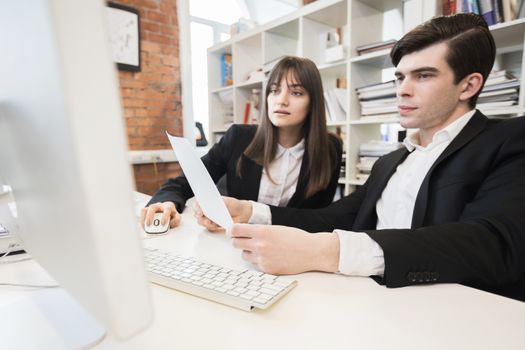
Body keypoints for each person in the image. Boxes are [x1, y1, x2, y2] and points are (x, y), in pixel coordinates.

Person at [197, 13, 525, 301]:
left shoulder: (508, 141)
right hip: (367, 302)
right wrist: (250, 210)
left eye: (423, 76)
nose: (402, 90)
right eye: (400, 77)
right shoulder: (390, 162)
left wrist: (325, 251)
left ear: (468, 86)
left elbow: (492, 243)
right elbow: (331, 218)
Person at [142, 56, 342, 229]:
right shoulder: (239, 137)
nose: (281, 100)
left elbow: (319, 219)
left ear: (313, 102)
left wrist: (253, 213)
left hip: (290, 252)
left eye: (296, 92)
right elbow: (185, 182)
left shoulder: (329, 150)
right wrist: (166, 202)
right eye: (274, 90)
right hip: (232, 245)